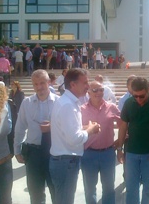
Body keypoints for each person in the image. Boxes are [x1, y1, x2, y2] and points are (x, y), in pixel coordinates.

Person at [49, 68, 100, 204]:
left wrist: (84, 128)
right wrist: (90, 130)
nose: (88, 86)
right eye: (85, 83)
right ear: (72, 84)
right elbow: (74, 139)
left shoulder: (68, 102)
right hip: (66, 162)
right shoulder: (67, 105)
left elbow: (67, 131)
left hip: (65, 161)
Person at [116, 77, 149, 204]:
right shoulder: (129, 103)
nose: (138, 99)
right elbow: (123, 127)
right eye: (135, 96)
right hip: (131, 153)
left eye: (142, 96)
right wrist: (119, 148)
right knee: (131, 188)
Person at [14, 69, 59, 204]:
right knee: (35, 193)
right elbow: (20, 127)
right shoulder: (26, 103)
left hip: (54, 153)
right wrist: (17, 150)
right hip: (33, 154)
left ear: (49, 82)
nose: (39, 87)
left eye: (42, 83)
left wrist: (52, 126)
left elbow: (67, 127)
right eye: (35, 84)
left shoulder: (60, 102)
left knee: (56, 191)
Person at [81, 80, 121, 204]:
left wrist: (120, 141)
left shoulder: (112, 107)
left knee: (109, 188)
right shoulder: (81, 109)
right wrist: (86, 128)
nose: (99, 92)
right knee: (90, 189)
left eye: (101, 89)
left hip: (107, 153)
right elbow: (74, 128)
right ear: (88, 92)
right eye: (95, 90)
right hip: (88, 154)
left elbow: (123, 124)